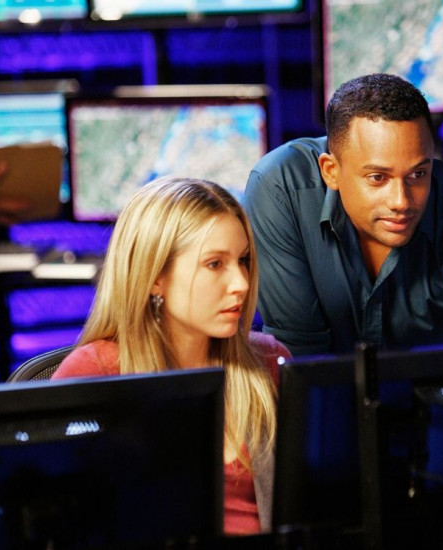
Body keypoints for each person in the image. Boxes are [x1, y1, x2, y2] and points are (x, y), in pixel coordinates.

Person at [51, 176, 291, 536]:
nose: (241, 283)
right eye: (215, 264)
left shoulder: (269, 362)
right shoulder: (95, 372)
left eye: (242, 260)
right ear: (155, 278)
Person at [244, 73, 443, 357]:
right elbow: (301, 362)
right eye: (378, 177)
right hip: (322, 386)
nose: (401, 202)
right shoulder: (281, 190)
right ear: (331, 171)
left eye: (418, 174)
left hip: (438, 386)